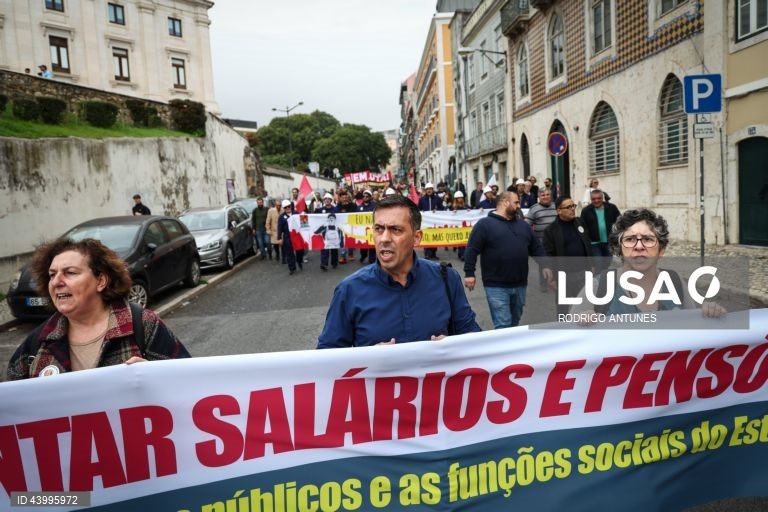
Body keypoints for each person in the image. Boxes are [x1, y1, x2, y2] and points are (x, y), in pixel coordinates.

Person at [7, 238, 190, 380]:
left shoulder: (143, 325)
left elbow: (191, 382)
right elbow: (14, 407)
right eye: (52, 275)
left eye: (70, 273)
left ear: (101, 281)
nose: (56, 282)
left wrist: (155, 377)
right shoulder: (37, 343)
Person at [317, 195, 480, 348]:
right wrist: (366, 360)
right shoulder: (349, 290)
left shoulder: (447, 279)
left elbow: (475, 341)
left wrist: (455, 346)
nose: (384, 238)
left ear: (416, 238)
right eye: (379, 229)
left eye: (396, 230)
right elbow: (326, 358)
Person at [570, 208, 727, 319]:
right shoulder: (598, 287)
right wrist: (580, 321)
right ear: (619, 249)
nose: (639, 246)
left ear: (661, 249)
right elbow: (568, 342)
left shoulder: (674, 281)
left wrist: (709, 315)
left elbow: (693, 334)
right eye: (630, 239)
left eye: (648, 239)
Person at [464, 191, 551, 329]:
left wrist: (545, 265)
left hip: (520, 284)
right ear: (505, 202)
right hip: (496, 285)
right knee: (503, 324)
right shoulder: (484, 225)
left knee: (515, 322)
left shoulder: (523, 226)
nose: (519, 206)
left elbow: (536, 247)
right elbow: (472, 250)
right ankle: (505, 349)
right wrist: (469, 273)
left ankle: (511, 346)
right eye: (516, 202)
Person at [542, 196, 594, 315]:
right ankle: (563, 331)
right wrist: (552, 278)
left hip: (583, 274)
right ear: (559, 211)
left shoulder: (580, 222)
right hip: (563, 277)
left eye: (573, 206)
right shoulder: (551, 230)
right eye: (568, 207)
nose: (572, 209)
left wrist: (591, 264)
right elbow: (548, 255)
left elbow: (587, 244)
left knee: (584, 307)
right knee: (563, 310)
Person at [525, 188, 558, 292]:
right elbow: (527, 225)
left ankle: (556, 281)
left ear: (551, 196)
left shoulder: (556, 206)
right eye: (543, 195)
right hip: (541, 240)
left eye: (547, 194)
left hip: (556, 240)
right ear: (539, 197)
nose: (545, 197)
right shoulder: (534, 208)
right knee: (544, 263)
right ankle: (544, 283)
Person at [581, 188, 621, 272]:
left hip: (608, 242)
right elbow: (583, 227)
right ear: (591, 200)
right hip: (594, 243)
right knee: (598, 265)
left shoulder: (612, 208)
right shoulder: (586, 211)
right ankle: (598, 283)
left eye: (598, 198)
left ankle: (604, 281)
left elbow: (619, 221)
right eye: (594, 199)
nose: (596, 201)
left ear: (602, 198)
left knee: (608, 264)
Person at [418, 182, 444, 260]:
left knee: (434, 237)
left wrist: (437, 211)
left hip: (434, 222)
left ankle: (433, 253)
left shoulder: (437, 199)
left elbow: (442, 209)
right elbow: (419, 209)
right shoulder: (422, 199)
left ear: (432, 190)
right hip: (425, 222)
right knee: (426, 236)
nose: (429, 191)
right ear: (425, 190)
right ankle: (427, 253)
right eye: (427, 189)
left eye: (430, 189)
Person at [316, 193, 341, 271]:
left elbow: (340, 219)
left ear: (331, 200)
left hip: (334, 232)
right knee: (324, 248)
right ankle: (324, 264)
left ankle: (334, 263)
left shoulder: (335, 209)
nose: (327, 200)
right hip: (325, 233)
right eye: (325, 199)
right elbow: (314, 217)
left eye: (328, 199)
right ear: (324, 200)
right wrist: (317, 208)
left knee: (334, 248)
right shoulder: (320, 209)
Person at [277, 200, 301, 275]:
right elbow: (279, 228)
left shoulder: (296, 213)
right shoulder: (281, 217)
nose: (287, 208)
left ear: (291, 206)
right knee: (289, 254)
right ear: (283, 208)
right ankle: (292, 268)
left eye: (289, 206)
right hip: (287, 237)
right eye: (285, 207)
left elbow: (303, 222)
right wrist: (279, 238)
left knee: (299, 251)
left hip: (297, 236)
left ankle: (299, 261)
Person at [358, 190, 377, 265]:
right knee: (363, 245)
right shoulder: (359, 207)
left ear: (370, 197)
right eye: (364, 196)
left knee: (372, 246)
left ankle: (372, 260)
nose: (365, 198)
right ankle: (363, 255)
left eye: (367, 196)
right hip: (362, 230)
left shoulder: (374, 206)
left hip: (371, 229)